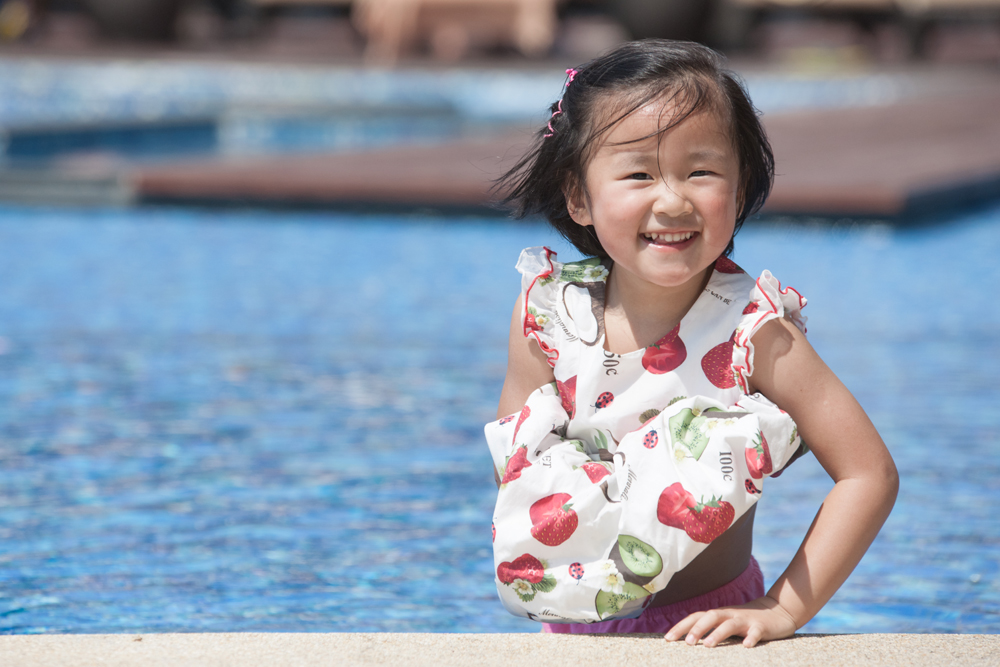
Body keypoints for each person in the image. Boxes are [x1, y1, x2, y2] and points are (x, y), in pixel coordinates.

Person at [485, 40, 898, 647]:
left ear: (741, 185)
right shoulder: (548, 317)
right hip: (571, 624)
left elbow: (868, 473)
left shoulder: (754, 335)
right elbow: (519, 474)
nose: (673, 199)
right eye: (638, 174)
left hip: (706, 628)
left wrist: (781, 609)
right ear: (579, 196)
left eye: (700, 171)